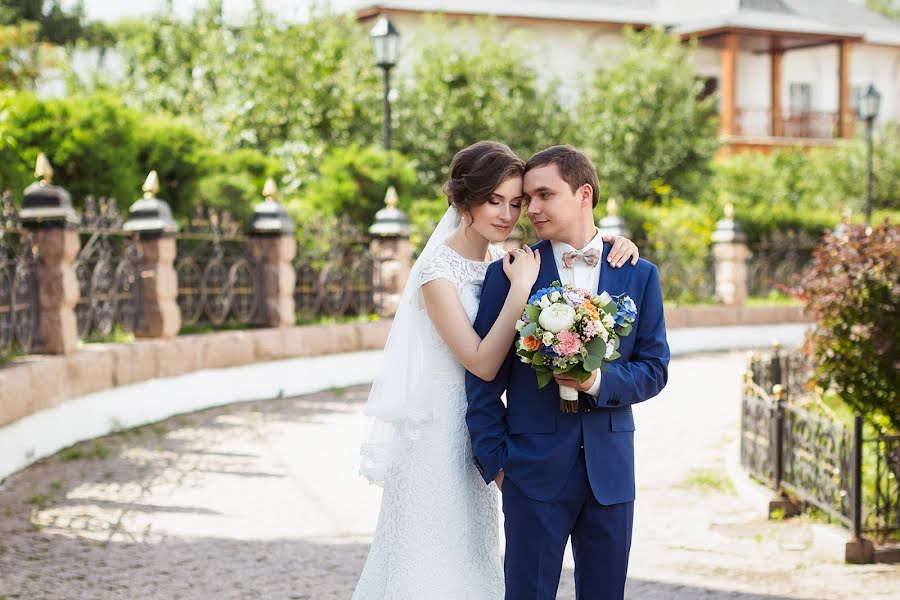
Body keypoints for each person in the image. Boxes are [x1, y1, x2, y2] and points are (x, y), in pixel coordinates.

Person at [353, 141, 640, 599]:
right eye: (494, 201)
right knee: (429, 562)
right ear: (464, 200)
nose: (509, 215)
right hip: (439, 433)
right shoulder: (443, 272)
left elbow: (581, 257)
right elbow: (485, 365)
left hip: (487, 439)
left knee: (475, 562)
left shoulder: (502, 262)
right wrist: (520, 289)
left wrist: (611, 241)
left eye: (516, 203)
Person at [466, 145, 670, 600]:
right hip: (531, 473)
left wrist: (597, 382)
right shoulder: (512, 273)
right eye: (527, 198)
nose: (531, 209)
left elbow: (654, 369)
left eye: (543, 195)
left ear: (584, 194)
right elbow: (483, 380)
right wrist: (498, 464)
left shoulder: (638, 274)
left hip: (611, 474)